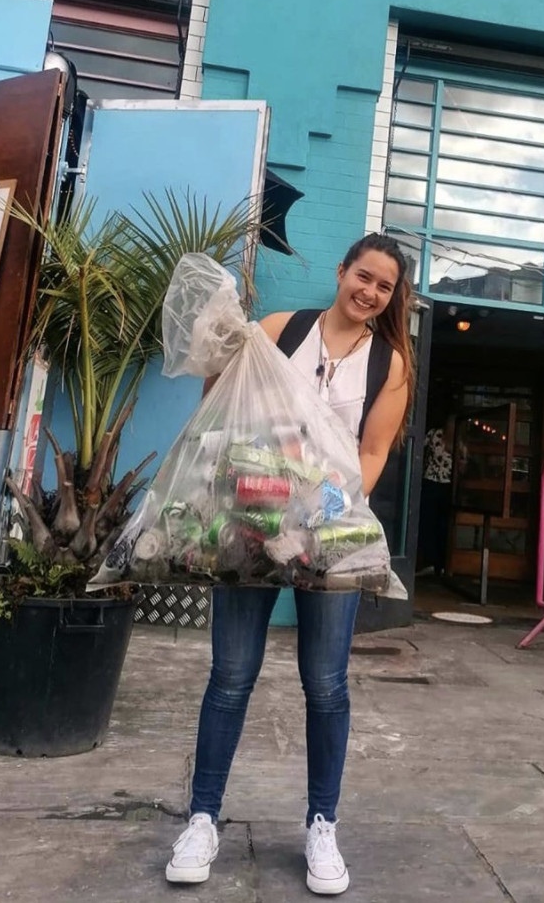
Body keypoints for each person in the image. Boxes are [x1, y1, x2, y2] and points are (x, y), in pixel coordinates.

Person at [166, 232, 415, 896]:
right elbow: (221, 406)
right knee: (231, 673)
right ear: (341, 271)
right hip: (252, 523)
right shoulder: (281, 328)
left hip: (331, 536)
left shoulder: (390, 364)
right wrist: (217, 343)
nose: (369, 292)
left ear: (392, 297)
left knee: (326, 683)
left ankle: (322, 824)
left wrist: (322, 505)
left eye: (383, 287)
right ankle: (202, 819)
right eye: (362, 276)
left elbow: (372, 455)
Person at [417, 415, 456, 576]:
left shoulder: (458, 440)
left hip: (446, 486)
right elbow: (419, 445)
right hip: (431, 482)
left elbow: (464, 464)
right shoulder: (435, 435)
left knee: (442, 526)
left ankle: (440, 564)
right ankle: (429, 562)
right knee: (428, 524)